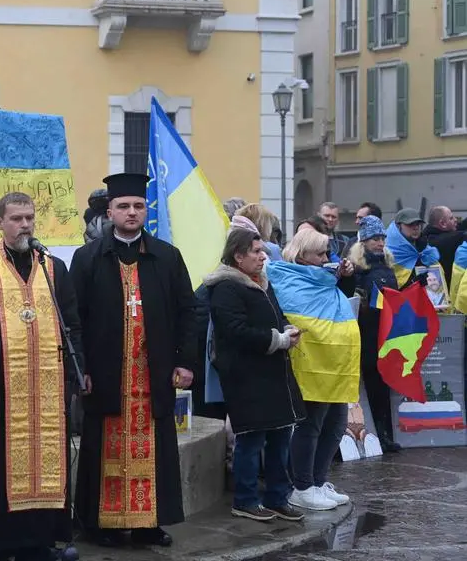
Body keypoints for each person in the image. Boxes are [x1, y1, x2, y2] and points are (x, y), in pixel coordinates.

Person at [0, 192, 86, 561]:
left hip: (46, 389)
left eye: (29, 217)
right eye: (16, 218)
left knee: (45, 468)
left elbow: (71, 324)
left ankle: (37, 542)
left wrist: (76, 374)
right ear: (0, 222)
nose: (24, 225)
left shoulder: (52, 267)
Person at [70, 173, 196, 548]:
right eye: (123, 206)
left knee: (155, 449)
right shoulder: (88, 258)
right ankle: (101, 524)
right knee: (101, 448)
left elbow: (189, 312)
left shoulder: (167, 257)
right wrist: (81, 369)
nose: (131, 212)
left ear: (146, 211)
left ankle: (149, 523)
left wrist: (186, 362)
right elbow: (73, 318)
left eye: (138, 206)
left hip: (152, 372)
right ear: (110, 211)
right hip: (106, 375)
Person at [203, 229, 304, 522]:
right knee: (252, 438)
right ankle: (245, 499)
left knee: (280, 435)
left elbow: (276, 314)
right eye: (256, 251)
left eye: (263, 251)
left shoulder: (261, 281)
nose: (263, 256)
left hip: (274, 374)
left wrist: (286, 328)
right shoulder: (225, 287)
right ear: (238, 255)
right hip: (246, 375)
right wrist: (278, 340)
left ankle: (277, 497)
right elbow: (235, 332)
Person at [276, 230, 355, 512]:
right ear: (301, 256)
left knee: (335, 426)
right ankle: (303, 486)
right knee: (311, 426)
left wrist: (347, 275)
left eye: (327, 254)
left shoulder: (324, 281)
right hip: (311, 366)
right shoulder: (289, 281)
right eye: (320, 254)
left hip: (334, 364)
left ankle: (319, 482)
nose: (326, 259)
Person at [348, 215, 400, 453]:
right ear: (364, 242)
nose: (380, 243)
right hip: (366, 333)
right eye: (374, 239)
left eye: (382, 238)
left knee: (383, 386)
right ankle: (373, 435)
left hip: (385, 333)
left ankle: (385, 434)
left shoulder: (387, 265)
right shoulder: (358, 269)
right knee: (370, 386)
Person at [387, 208, 440, 288]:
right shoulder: (388, 251)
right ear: (398, 226)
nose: (415, 228)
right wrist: (413, 283)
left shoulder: (425, 249)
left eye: (418, 224)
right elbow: (389, 286)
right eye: (410, 224)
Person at [424, 206, 464, 286]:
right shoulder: (449, 240)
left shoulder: (426, 239)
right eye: (451, 218)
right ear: (442, 223)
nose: (456, 220)